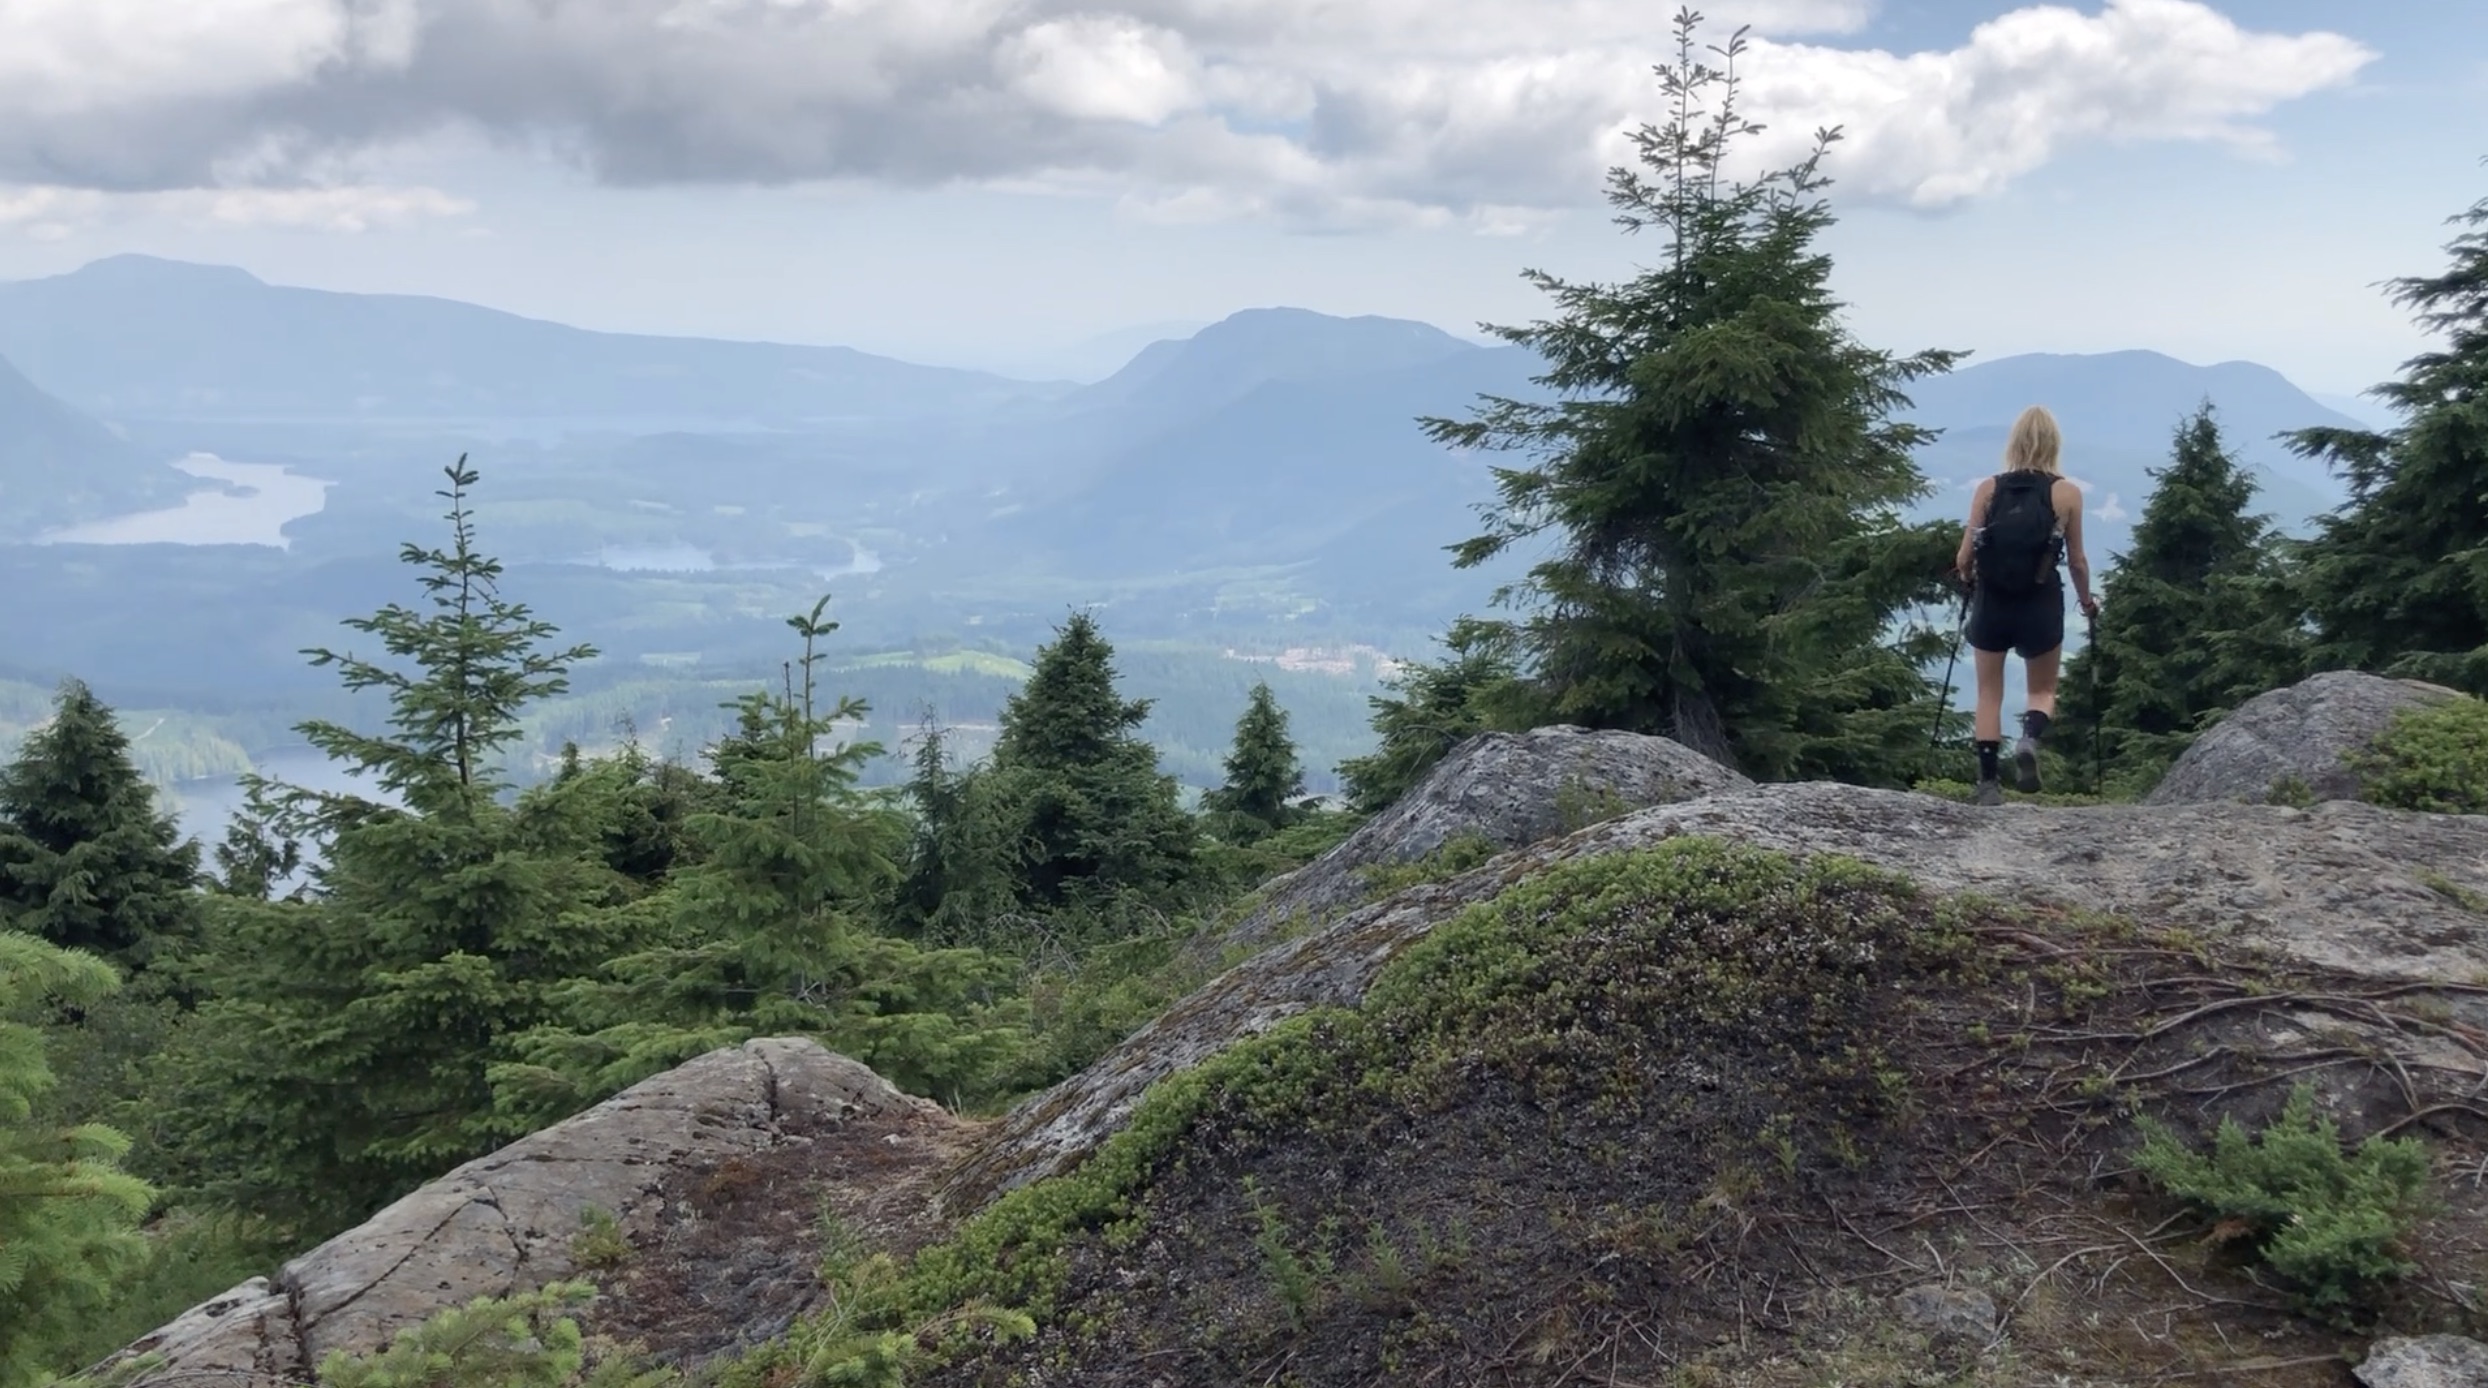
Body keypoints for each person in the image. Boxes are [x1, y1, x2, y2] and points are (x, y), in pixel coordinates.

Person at [1951, 405, 2099, 806]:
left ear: (2013, 442)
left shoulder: (1989, 489)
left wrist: (1968, 579)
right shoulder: (2066, 492)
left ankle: (1987, 785)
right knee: (2044, 688)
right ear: (2054, 444)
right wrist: (2087, 602)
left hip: (1992, 601)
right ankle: (2029, 739)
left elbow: (1965, 557)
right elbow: (2078, 560)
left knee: (1988, 693)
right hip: (2041, 600)